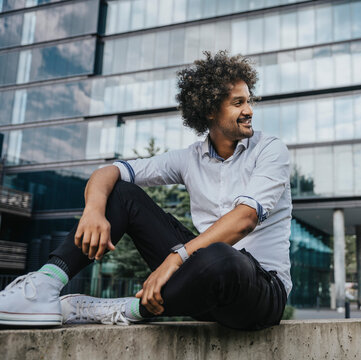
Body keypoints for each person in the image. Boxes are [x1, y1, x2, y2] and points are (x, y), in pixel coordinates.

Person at [0, 51, 292, 331]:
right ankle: (44, 285)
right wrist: (93, 210)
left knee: (220, 256)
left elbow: (245, 219)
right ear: (210, 110)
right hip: (200, 283)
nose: (249, 110)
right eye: (238, 103)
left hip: (261, 291)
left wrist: (177, 258)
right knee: (121, 194)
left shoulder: (270, 150)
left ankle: (125, 309)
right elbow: (109, 172)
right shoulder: (189, 158)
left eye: (249, 101)